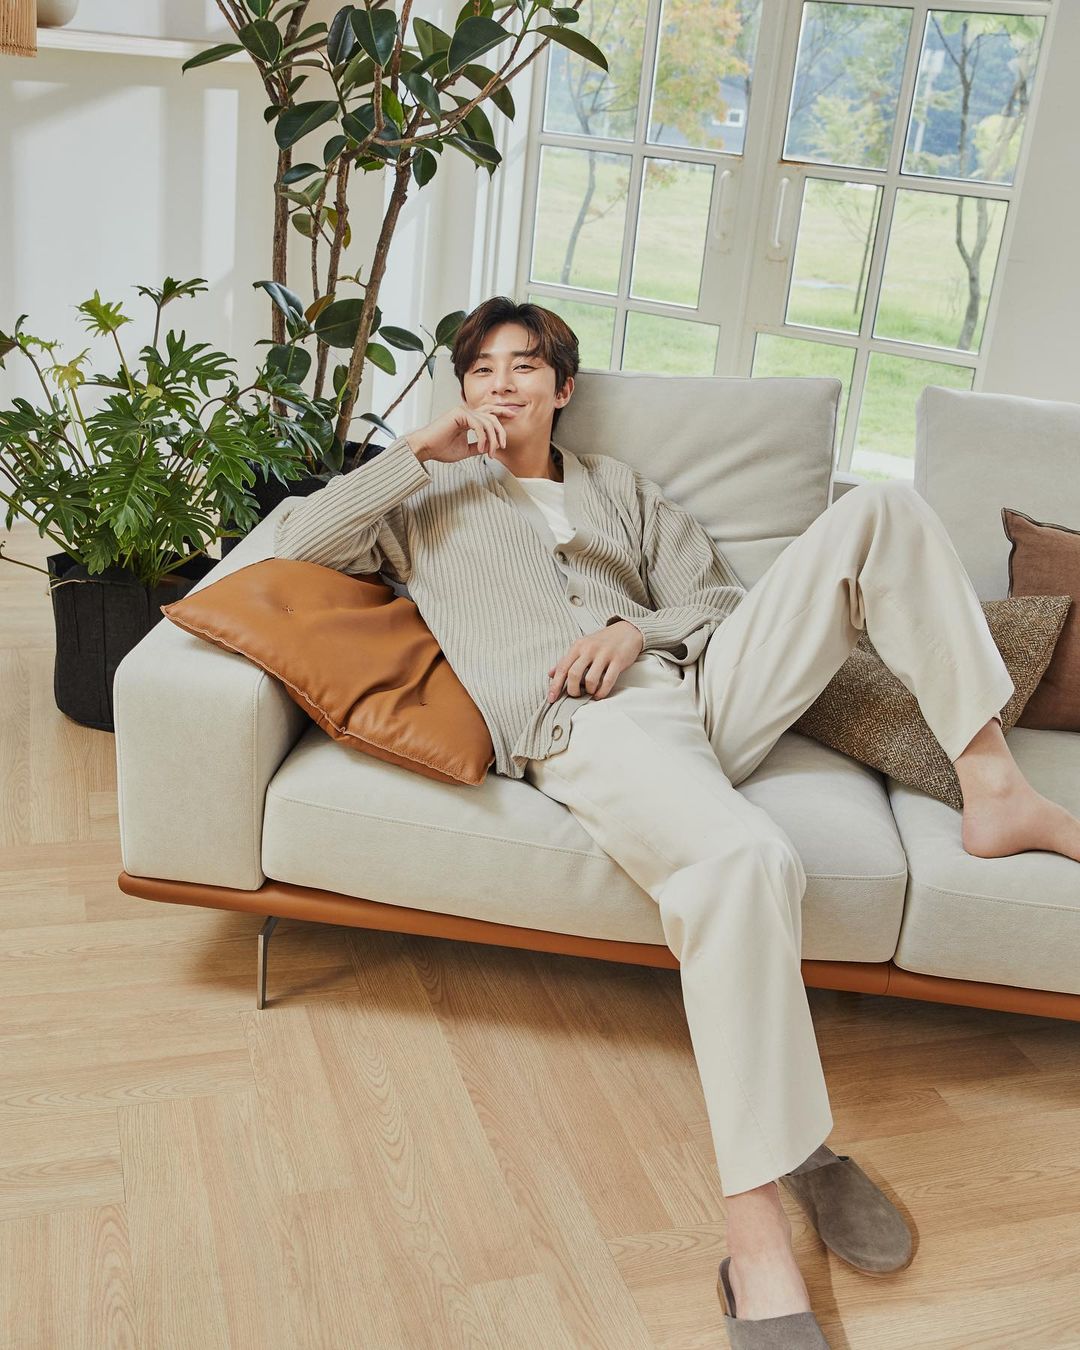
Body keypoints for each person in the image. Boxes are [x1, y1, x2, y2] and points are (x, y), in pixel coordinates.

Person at [275, 296, 1080, 1347]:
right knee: (746, 861)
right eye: (480, 371)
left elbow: (720, 603)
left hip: (696, 689)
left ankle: (994, 788)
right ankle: (764, 1227)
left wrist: (634, 628)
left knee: (883, 511)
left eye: (524, 367)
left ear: (563, 389)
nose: (501, 385)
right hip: (580, 720)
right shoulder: (423, 498)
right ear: (461, 390)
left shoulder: (621, 490)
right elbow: (290, 546)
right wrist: (414, 454)